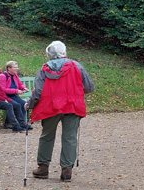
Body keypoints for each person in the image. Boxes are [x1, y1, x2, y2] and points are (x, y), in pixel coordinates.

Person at [27, 41, 95, 182]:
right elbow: (89, 87)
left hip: (50, 106)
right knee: (70, 137)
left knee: (46, 136)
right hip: (72, 105)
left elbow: (38, 92)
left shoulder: (44, 69)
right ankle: (66, 171)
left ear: (49, 54)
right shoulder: (77, 66)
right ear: (64, 52)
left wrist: (30, 104)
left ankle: (43, 168)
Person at [0, 61, 31, 130]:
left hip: (13, 95)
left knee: (23, 104)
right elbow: (2, 89)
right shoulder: (2, 76)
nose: (17, 69)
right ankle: (10, 123)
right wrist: (16, 91)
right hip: (4, 96)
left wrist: (24, 88)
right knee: (15, 104)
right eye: (15, 67)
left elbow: (19, 84)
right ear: (9, 68)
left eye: (17, 67)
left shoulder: (15, 75)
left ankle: (21, 122)